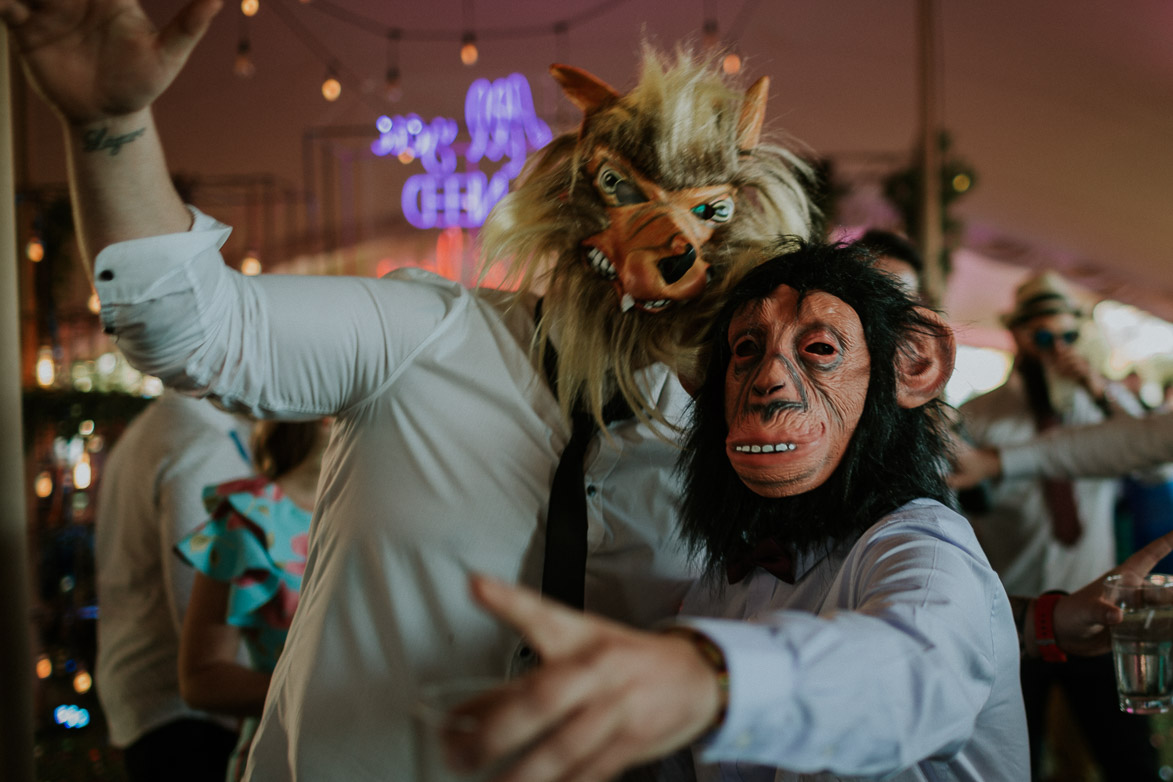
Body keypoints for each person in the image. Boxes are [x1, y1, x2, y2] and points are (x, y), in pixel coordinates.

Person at [0, 1, 819, 776]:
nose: (667, 241)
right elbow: (190, 324)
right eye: (621, 193)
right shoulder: (424, 333)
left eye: (707, 213)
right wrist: (112, 128)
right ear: (568, 204)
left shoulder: (745, 446)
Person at [442, 242, 1029, 781]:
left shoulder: (921, 543)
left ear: (912, 367)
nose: (769, 379)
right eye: (746, 350)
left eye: (819, 349)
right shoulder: (730, 574)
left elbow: (916, 671)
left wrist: (712, 677)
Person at [958, 270, 1151, 779]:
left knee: (1128, 758)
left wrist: (1098, 386)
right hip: (1013, 617)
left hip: (1094, 606)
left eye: (1066, 335)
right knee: (1013, 760)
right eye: (1043, 335)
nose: (1055, 347)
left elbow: (1154, 461)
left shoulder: (1099, 407)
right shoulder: (980, 415)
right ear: (1018, 334)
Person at [94, 391, 253, 782]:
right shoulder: (197, 445)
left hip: (151, 697)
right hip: (183, 714)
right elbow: (198, 609)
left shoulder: (150, 428)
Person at [176, 419, 327, 782]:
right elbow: (201, 677)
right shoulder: (250, 516)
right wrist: (319, 696)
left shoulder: (388, 511)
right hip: (282, 760)